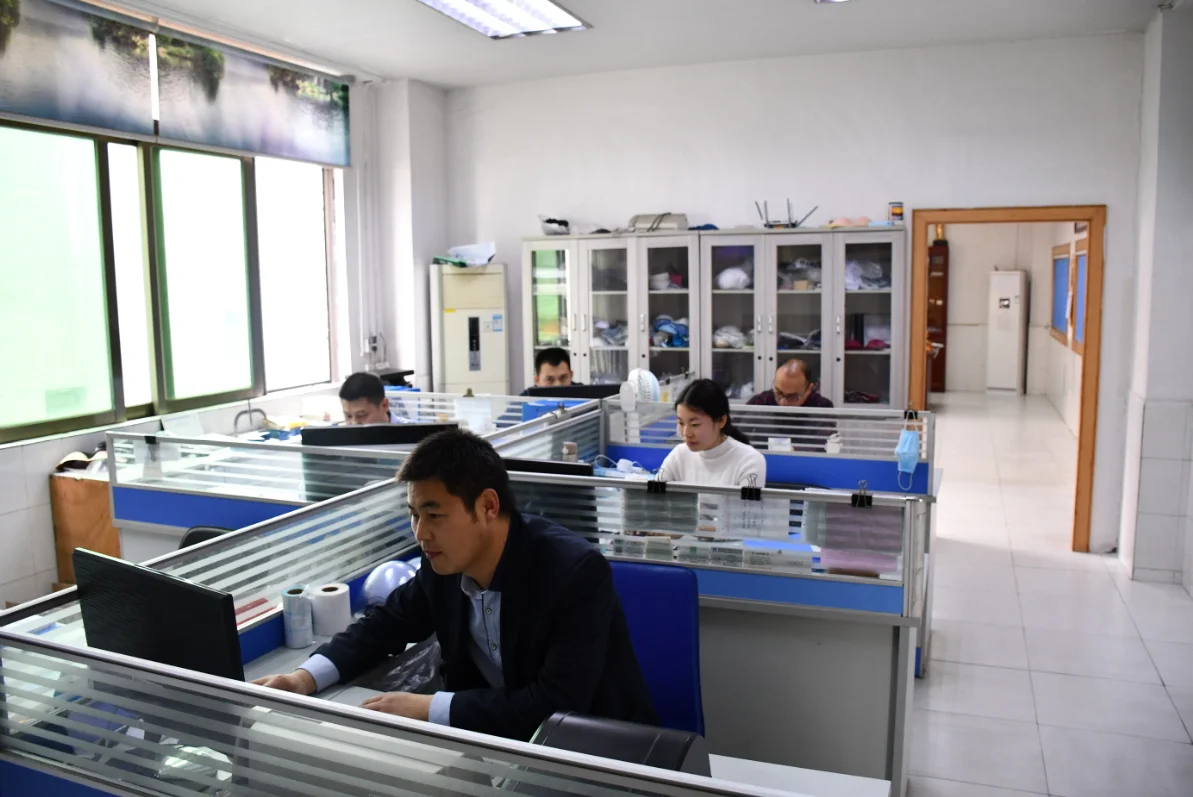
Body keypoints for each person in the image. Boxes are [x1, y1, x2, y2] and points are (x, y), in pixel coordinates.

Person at [253, 429, 658, 742]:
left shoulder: (574, 573)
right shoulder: (444, 565)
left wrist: (431, 708)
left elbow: (556, 705)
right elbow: (385, 624)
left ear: (487, 506)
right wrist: (303, 677)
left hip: (597, 753)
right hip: (494, 745)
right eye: (414, 514)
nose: (420, 533)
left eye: (434, 515)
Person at [657, 379, 766, 487]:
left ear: (721, 421)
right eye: (681, 423)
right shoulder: (679, 455)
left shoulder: (749, 461)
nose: (686, 433)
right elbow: (655, 494)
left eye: (695, 424)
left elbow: (748, 499)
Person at [747, 359, 834, 408]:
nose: (783, 402)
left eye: (792, 396)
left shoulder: (822, 406)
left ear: (809, 389)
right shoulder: (759, 402)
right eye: (779, 392)